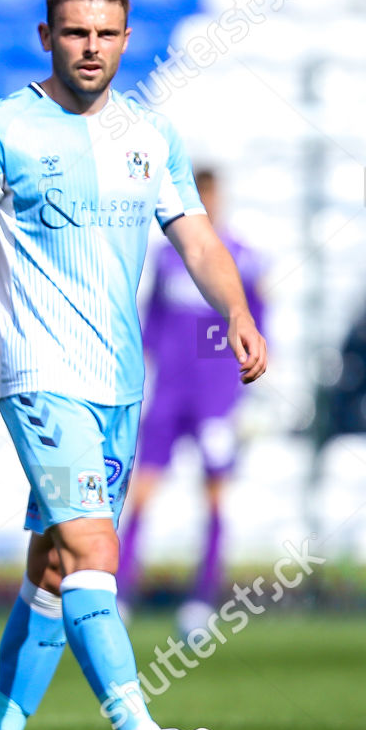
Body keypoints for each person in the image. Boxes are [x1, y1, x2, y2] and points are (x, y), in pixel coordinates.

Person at [0, 0, 266, 730]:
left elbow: (197, 238)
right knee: (97, 546)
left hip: (119, 386)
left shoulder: (149, 135)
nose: (90, 49)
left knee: (56, 569)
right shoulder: (0, 132)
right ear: (46, 37)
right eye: (74, 32)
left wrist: (235, 310)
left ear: (127, 39)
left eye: (105, 34)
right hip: (39, 380)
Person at [117, 169, 266, 640]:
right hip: (169, 394)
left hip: (216, 399)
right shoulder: (166, 259)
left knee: (215, 496)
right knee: (140, 494)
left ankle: (201, 601)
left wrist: (244, 389)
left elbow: (257, 324)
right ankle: (120, 597)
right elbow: (150, 325)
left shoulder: (243, 259)